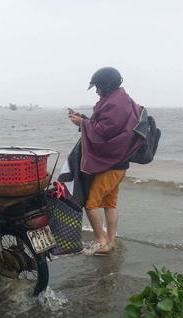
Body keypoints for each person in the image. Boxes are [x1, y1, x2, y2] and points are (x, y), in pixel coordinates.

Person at [67, 67, 145, 255]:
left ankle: (100, 241)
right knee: (109, 204)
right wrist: (84, 119)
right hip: (119, 165)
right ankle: (110, 241)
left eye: (98, 87)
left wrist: (82, 124)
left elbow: (105, 131)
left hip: (111, 166)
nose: (96, 91)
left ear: (107, 86)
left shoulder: (115, 104)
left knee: (91, 203)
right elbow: (108, 128)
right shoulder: (121, 100)